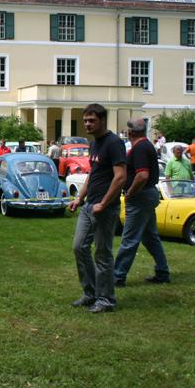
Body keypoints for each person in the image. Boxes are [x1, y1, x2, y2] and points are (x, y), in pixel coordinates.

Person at [67, 104, 126, 313]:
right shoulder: (94, 144)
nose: (87, 124)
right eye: (85, 121)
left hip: (105, 208)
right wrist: (79, 198)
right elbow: (93, 174)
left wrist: (105, 202)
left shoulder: (114, 143)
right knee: (79, 247)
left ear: (102, 120)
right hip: (89, 204)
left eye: (91, 120)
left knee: (102, 254)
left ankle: (106, 299)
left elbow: (120, 177)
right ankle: (90, 293)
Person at [113, 118, 170, 287]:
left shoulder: (139, 148)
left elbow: (142, 175)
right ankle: (162, 271)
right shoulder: (146, 146)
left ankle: (117, 276)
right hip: (147, 195)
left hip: (140, 197)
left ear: (130, 133)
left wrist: (130, 193)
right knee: (150, 237)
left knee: (129, 239)